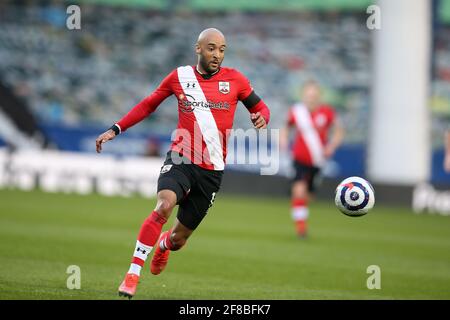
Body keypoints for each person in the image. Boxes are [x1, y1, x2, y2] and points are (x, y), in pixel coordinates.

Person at [95, 28, 270, 299]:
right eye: (211, 48)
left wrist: (261, 117)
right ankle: (132, 274)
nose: (217, 55)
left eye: (222, 50)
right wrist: (116, 129)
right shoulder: (180, 77)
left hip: (212, 171)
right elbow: (148, 104)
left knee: (179, 240)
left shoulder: (236, 80)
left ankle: (164, 244)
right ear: (198, 48)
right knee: (164, 204)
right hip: (181, 157)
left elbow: (260, 107)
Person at [280, 80, 344, 238]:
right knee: (298, 190)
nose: (311, 98)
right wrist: (283, 141)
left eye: (314, 95)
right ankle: (301, 229)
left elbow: (339, 131)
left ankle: (301, 211)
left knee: (309, 196)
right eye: (308, 95)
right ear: (303, 96)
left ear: (319, 96)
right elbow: (286, 128)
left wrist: (331, 146)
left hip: (317, 161)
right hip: (299, 160)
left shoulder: (327, 112)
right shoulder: (297, 112)